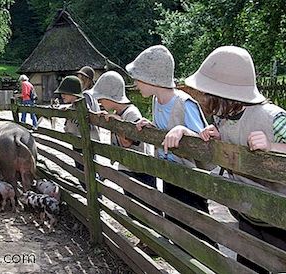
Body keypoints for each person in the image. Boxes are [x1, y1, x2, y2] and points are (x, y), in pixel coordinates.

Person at [182, 45, 286, 273]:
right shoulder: (223, 119)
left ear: (223, 96)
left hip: (279, 219)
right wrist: (219, 138)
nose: (203, 100)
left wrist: (273, 146)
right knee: (247, 266)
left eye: (207, 95)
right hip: (249, 212)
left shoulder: (273, 118)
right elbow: (234, 136)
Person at [126, 45, 215, 246]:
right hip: (169, 174)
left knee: (199, 233)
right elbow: (165, 129)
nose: (136, 83)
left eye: (138, 78)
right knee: (177, 227)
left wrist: (184, 131)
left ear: (152, 79)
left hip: (190, 181)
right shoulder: (157, 101)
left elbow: (205, 142)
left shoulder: (185, 103)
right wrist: (152, 126)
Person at [91, 71, 157, 212]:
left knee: (147, 211)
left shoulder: (131, 113)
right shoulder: (119, 113)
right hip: (128, 168)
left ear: (110, 96)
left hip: (139, 170)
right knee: (132, 209)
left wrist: (117, 124)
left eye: (101, 98)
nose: (99, 102)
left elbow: (127, 143)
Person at [54, 75, 100, 190]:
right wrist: (69, 108)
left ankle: (96, 197)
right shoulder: (74, 105)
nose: (62, 95)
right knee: (81, 174)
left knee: (88, 173)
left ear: (73, 93)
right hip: (78, 144)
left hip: (86, 146)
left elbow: (88, 114)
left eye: (65, 93)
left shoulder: (83, 104)